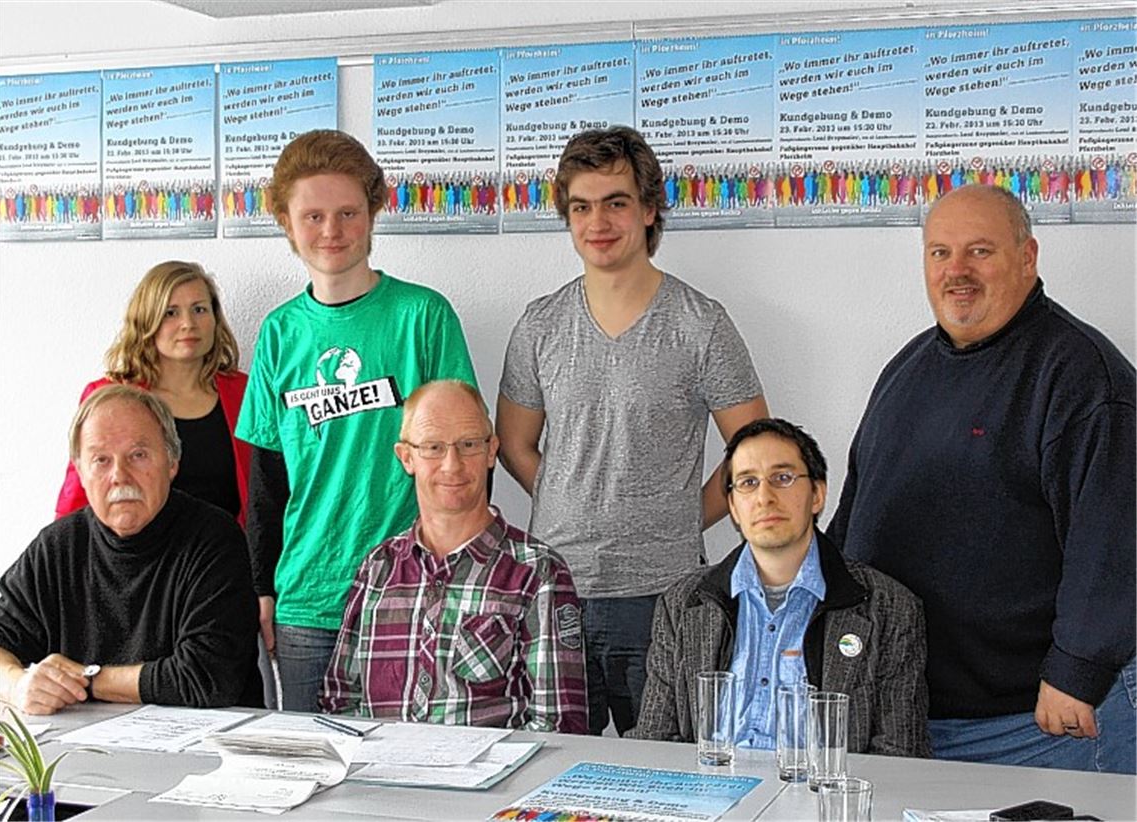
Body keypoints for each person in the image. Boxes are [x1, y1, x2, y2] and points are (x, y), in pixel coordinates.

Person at [829, 184, 1136, 774]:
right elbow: (853, 520)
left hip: (1038, 725)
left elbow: (1115, 540)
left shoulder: (1079, 376)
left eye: (979, 251)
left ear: (1027, 257)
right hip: (910, 717)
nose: (957, 272)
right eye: (940, 253)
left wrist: (1077, 671)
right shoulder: (906, 369)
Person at [497, 126, 767, 736]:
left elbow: (756, 450)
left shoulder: (701, 324)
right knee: (557, 766)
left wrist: (684, 514)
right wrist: (571, 495)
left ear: (648, 210)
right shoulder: (540, 325)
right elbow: (512, 443)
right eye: (581, 207)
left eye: (615, 202)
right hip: (557, 590)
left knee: (670, 768)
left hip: (663, 595)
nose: (598, 222)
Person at [236, 130, 477, 713]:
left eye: (347, 212)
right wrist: (262, 587)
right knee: (311, 761)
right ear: (287, 224)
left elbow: (465, 459)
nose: (332, 231)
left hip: (413, 593)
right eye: (313, 216)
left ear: (372, 214)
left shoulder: (423, 317)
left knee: (410, 760)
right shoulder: (279, 333)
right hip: (308, 601)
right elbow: (267, 480)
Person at [629, 419, 930, 755]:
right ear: (733, 508)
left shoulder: (887, 609)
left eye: (783, 478)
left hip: (819, 788)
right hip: (712, 784)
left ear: (817, 495)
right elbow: (655, 742)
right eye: (748, 482)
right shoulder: (683, 604)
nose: (764, 497)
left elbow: (898, 755)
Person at [321, 381, 587, 732]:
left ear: (491, 450)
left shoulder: (537, 574)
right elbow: (340, 703)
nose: (452, 464)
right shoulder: (377, 570)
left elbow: (558, 725)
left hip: (498, 769)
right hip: (380, 767)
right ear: (406, 457)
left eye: (469, 444)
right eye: (433, 447)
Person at [0, 385, 261, 714]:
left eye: (138, 455)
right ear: (80, 472)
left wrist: (86, 680)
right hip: (85, 738)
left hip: (205, 738)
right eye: (101, 460)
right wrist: (18, 685)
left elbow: (207, 677)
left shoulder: (215, 540)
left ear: (172, 462)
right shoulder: (57, 547)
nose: (119, 476)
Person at [56, 260, 249, 524]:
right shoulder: (109, 397)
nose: (188, 323)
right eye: (171, 312)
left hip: (227, 547)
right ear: (147, 320)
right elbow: (77, 498)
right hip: (138, 548)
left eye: (199, 309)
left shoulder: (245, 392)